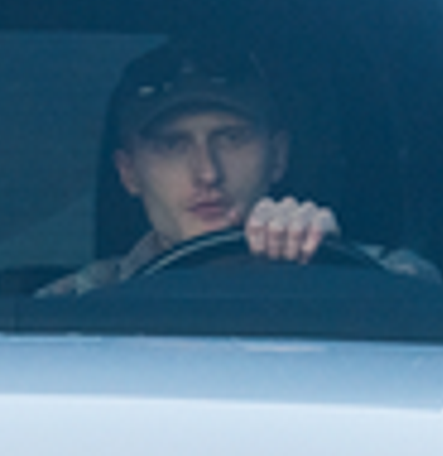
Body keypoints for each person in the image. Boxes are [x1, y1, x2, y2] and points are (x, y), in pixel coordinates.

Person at [40, 42, 356, 295]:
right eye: (172, 145)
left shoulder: (386, 281)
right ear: (129, 172)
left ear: (277, 156)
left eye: (232, 139)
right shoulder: (75, 310)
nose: (207, 173)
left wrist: (331, 273)